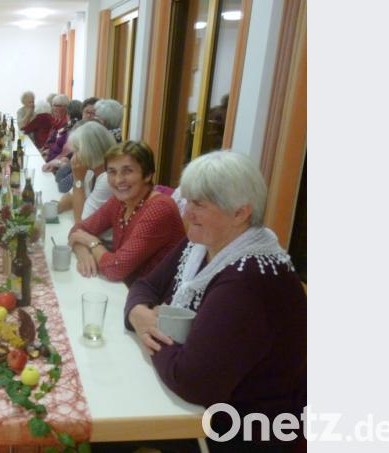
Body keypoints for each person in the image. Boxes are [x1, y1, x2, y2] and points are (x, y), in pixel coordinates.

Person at [123, 151, 306, 452]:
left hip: (245, 430)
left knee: (106, 433)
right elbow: (144, 286)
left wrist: (149, 334)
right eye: (188, 201)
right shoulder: (201, 244)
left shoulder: (247, 280)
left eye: (199, 205)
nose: (187, 213)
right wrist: (139, 314)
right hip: (203, 408)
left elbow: (192, 381)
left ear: (240, 213)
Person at [69, 141, 185, 286]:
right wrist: (84, 254)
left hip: (153, 300)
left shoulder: (160, 208)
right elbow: (77, 230)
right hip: (125, 289)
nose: (118, 180)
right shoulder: (120, 201)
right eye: (112, 172)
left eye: (127, 171)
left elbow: (116, 269)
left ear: (148, 175)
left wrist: (90, 242)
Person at [56, 121, 116, 225]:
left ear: (90, 151)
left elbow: (82, 224)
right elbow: (69, 198)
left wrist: (78, 179)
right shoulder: (90, 170)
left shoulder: (107, 178)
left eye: (76, 151)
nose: (73, 156)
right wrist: (52, 209)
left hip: (103, 240)